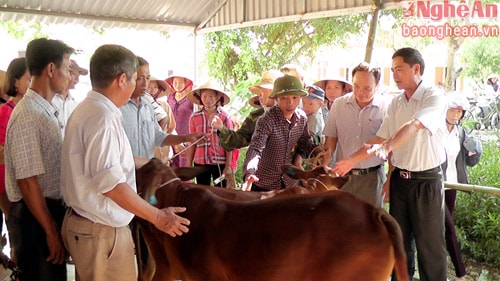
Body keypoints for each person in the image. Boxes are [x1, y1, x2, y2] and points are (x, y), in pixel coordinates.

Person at [60, 44, 191, 281]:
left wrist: (151, 164)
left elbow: (109, 165)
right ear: (122, 79)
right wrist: (158, 217)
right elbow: (111, 185)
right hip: (99, 231)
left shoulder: (91, 110)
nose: (137, 85)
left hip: (95, 228)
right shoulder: (101, 118)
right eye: (134, 78)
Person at [333, 47, 448, 281]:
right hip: (400, 181)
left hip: (426, 181)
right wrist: (349, 162)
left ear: (416, 69)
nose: (394, 74)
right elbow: (379, 138)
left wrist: (386, 147)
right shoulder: (396, 102)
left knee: (430, 246)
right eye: (392, 70)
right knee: (400, 242)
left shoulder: (433, 96)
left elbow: (415, 125)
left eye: (399, 69)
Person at [5, 38, 74, 281]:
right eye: (66, 68)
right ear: (51, 69)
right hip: (34, 219)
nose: (69, 75)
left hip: (46, 213)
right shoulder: (28, 115)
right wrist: (51, 231)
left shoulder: (46, 109)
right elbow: (27, 182)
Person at [322, 62, 387, 207]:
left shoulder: (386, 108)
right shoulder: (339, 105)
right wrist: (324, 168)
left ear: (377, 86)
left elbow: (390, 146)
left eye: (367, 88)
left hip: (372, 178)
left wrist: (389, 179)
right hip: (341, 176)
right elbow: (331, 140)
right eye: (356, 86)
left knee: (370, 224)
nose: (360, 92)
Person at [243, 75, 321, 191]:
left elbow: (304, 141)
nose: (290, 103)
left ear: (300, 98)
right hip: (263, 183)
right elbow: (256, 148)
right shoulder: (266, 120)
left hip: (289, 182)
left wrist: (317, 151)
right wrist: (250, 172)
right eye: (284, 98)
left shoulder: (302, 118)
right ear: (276, 99)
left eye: (295, 98)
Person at [120, 57, 202, 160]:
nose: (145, 83)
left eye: (148, 78)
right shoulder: (118, 107)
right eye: (140, 78)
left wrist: (185, 138)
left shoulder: (148, 104)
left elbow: (158, 135)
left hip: (150, 171)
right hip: (127, 174)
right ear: (128, 78)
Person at [441, 95, 482, 281]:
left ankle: (439, 269)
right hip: (435, 184)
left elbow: (471, 162)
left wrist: (475, 151)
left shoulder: (461, 133)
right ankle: (461, 273)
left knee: (443, 227)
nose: (456, 114)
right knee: (448, 227)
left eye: (459, 111)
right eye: (452, 110)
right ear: (445, 110)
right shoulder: (436, 130)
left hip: (453, 184)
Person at [211, 70, 282, 151]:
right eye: (259, 92)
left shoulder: (291, 116)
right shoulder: (254, 117)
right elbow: (238, 140)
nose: (259, 95)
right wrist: (222, 128)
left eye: (262, 91)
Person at [0, 57, 30, 229]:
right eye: (29, 79)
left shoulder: (25, 109)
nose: (33, 83)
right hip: (6, 184)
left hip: (19, 182)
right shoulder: (6, 111)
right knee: (16, 226)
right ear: (15, 82)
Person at [187, 80, 235, 188]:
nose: (208, 100)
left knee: (221, 193)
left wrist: (228, 166)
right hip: (200, 162)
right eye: (205, 97)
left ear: (218, 97)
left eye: (211, 97)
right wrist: (189, 165)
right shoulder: (194, 117)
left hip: (219, 163)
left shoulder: (225, 117)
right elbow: (192, 142)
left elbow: (229, 143)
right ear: (200, 97)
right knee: (202, 193)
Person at [52, 59, 88, 137]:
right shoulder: (50, 100)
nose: (77, 80)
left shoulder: (75, 105)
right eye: (74, 75)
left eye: (78, 76)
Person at [166, 74, 195, 167]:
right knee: (171, 166)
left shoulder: (190, 98)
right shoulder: (169, 97)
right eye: (175, 82)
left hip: (185, 138)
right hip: (171, 137)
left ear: (186, 83)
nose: (178, 85)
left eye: (181, 82)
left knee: (184, 167)